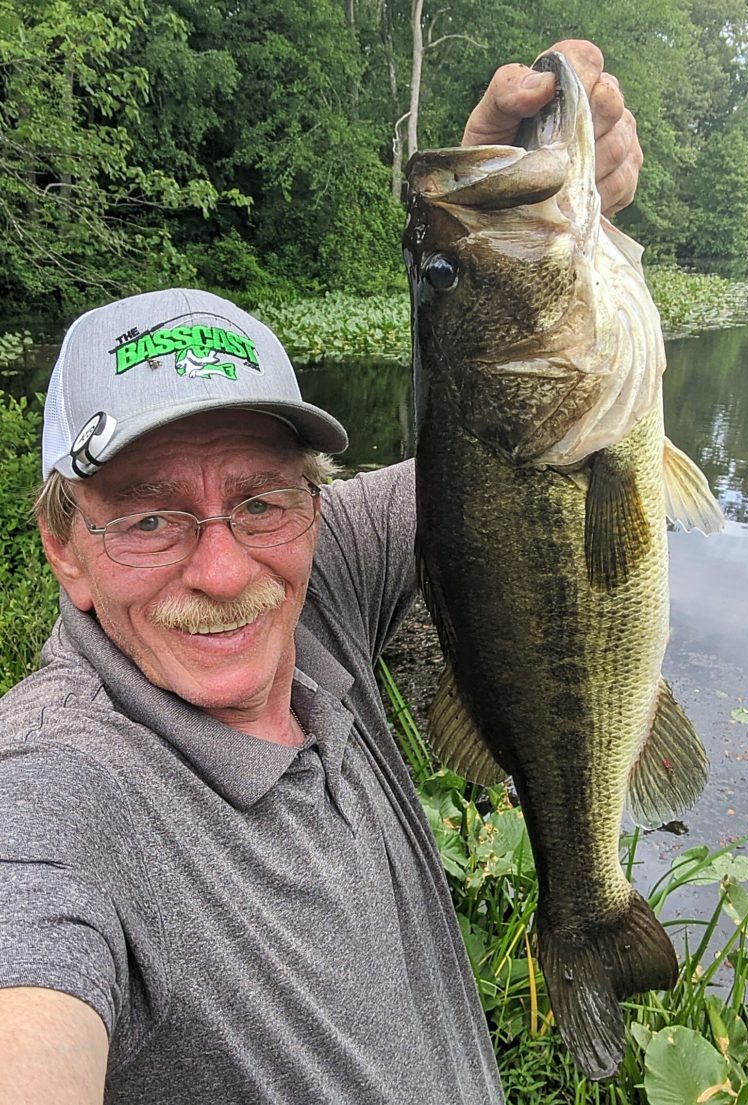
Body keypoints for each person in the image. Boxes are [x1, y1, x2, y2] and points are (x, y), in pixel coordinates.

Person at [0, 40, 641, 1105]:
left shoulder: (315, 582)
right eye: (151, 516)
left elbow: (505, 455)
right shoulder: (54, 793)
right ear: (63, 544)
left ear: (311, 501)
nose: (223, 569)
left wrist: (497, 226)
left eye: (259, 497)